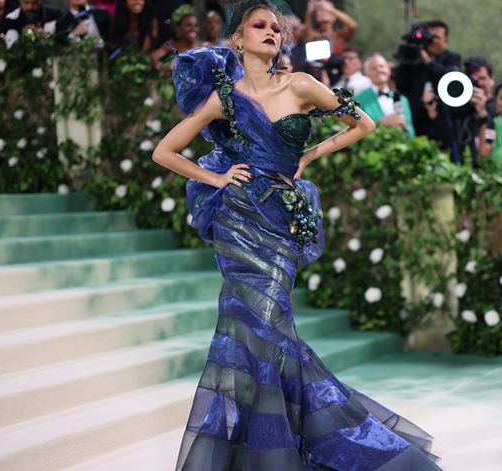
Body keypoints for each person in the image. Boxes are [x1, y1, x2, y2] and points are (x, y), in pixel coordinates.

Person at [152, 1, 442, 469]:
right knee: (250, 333)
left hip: (279, 223)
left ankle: (284, 448)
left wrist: (308, 156)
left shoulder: (302, 84)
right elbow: (165, 151)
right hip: (239, 218)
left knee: (268, 330)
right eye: (259, 26)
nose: (271, 32)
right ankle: (262, 452)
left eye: (277, 28)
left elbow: (362, 123)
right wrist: (217, 179)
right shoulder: (225, 98)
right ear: (238, 39)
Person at [395, 19, 462, 157]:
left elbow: (451, 79)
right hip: (415, 121)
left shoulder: (451, 59)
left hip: (441, 122)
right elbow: (401, 83)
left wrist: (429, 62)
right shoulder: (414, 57)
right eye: (429, 36)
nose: (432, 41)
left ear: (446, 40)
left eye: (436, 37)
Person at [355, 53, 415, 137]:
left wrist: (406, 128)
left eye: (382, 66)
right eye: (374, 68)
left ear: (389, 70)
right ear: (367, 74)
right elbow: (356, 131)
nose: (379, 70)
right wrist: (380, 124)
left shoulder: (402, 99)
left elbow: (411, 132)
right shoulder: (358, 100)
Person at [150, 4, 199, 76]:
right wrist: (161, 67)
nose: (193, 29)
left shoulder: (202, 47)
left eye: (196, 25)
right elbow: (153, 57)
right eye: (188, 25)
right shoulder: (172, 44)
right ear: (177, 28)